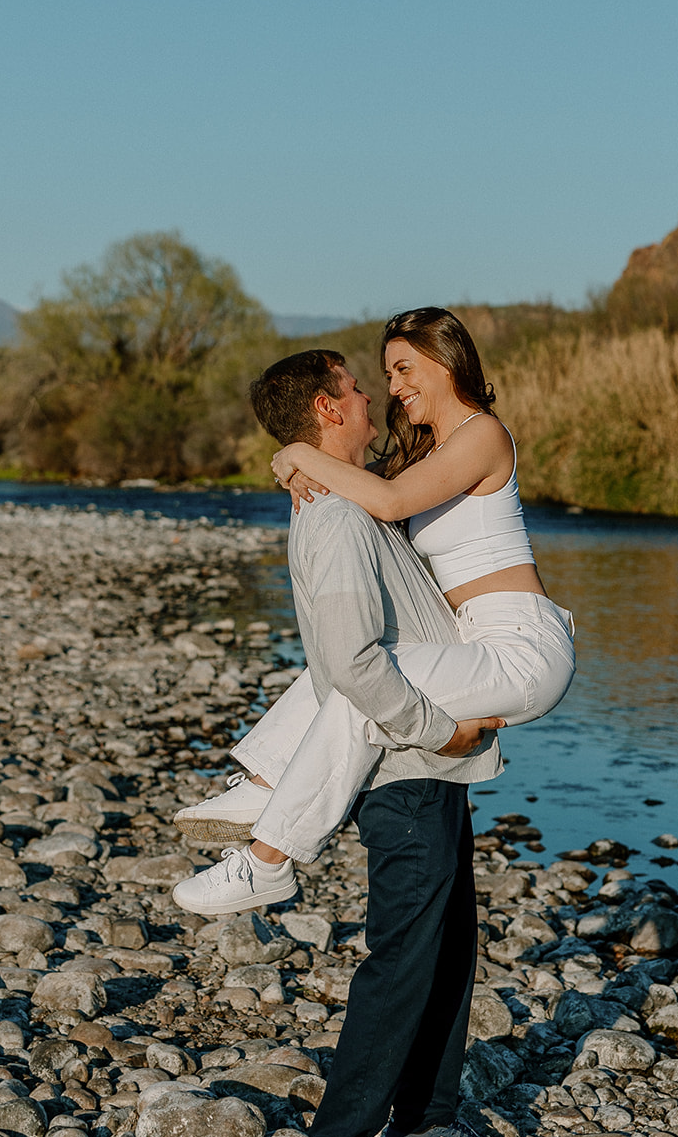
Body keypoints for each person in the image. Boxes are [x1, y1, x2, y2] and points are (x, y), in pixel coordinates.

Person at [174, 347, 516, 1137]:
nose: (370, 395)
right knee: (402, 958)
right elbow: (351, 665)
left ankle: (428, 1119)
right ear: (329, 409)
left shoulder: (350, 499)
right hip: (399, 769)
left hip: (429, 768)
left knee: (448, 947)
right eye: (356, 387)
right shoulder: (331, 519)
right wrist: (443, 726)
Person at [173, 307, 575, 884]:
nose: (394, 387)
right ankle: (262, 787)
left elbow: (385, 503)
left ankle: (269, 855)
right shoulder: (422, 457)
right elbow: (361, 483)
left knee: (359, 683)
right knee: (352, 674)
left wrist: (298, 455)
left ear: (445, 361)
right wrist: (297, 467)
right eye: (386, 375)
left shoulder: (483, 435)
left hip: (522, 648)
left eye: (404, 369)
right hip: (473, 641)